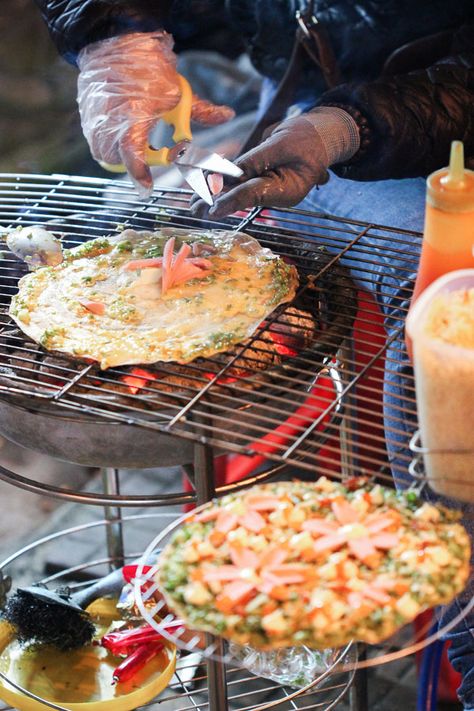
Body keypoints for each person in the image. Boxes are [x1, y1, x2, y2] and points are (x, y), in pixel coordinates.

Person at [32, 1, 474, 707]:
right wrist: (115, 39)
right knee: (157, 216)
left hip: (439, 123)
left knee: (436, 312)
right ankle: (242, 554)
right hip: (303, 89)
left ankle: (450, 609)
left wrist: (343, 127)